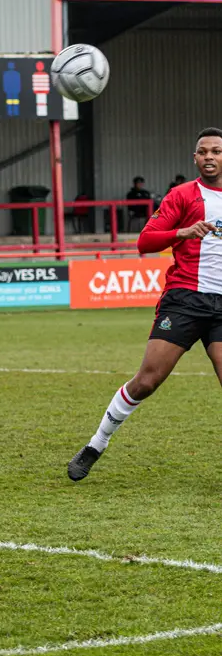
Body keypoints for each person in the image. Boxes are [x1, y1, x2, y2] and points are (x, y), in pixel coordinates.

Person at [69, 127, 222, 482]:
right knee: (148, 380)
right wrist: (180, 233)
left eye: (216, 151)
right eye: (203, 152)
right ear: (195, 158)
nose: (210, 157)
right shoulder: (182, 196)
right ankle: (96, 444)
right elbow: (145, 242)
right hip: (185, 299)